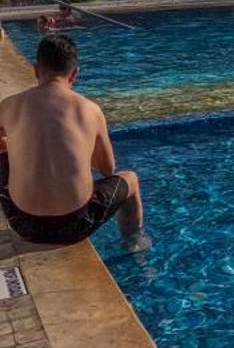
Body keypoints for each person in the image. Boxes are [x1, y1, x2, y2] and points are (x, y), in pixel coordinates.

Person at [0, 34, 146, 249]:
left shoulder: (8, 105)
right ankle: (134, 242)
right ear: (74, 74)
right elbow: (108, 169)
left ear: (35, 69)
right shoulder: (90, 110)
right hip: (75, 225)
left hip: (22, 223)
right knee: (130, 179)